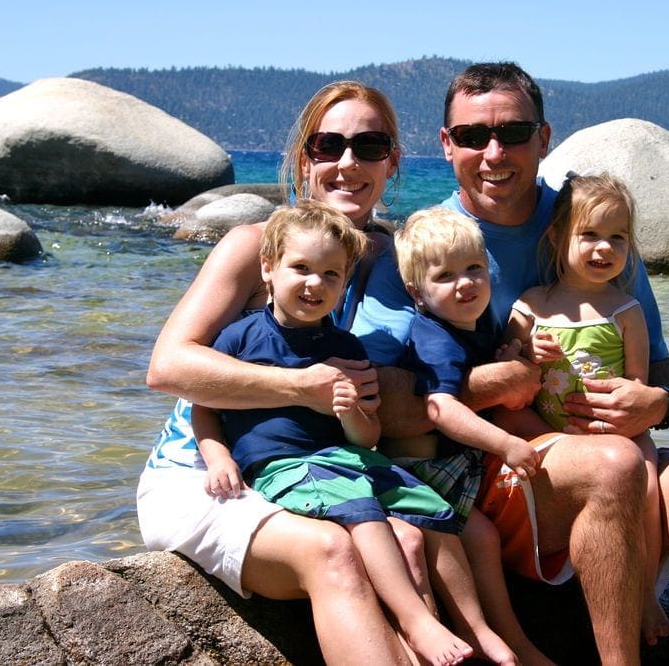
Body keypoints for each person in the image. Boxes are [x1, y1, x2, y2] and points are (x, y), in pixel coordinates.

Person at [369, 62, 669, 665]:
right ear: (447, 146)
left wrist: (661, 402)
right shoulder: (426, 245)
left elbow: (660, 363)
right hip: (488, 465)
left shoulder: (595, 225)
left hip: (599, 452)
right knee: (612, 464)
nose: (494, 152)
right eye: (472, 136)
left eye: (514, 133)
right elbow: (384, 400)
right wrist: (499, 381)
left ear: (544, 139)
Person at [139, 81, 432, 664]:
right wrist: (303, 386)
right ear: (306, 159)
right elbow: (167, 366)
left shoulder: (398, 262)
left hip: (324, 469)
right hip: (209, 470)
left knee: (412, 540)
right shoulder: (255, 247)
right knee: (330, 551)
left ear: (392, 162)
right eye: (329, 145)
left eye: (369, 146)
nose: (348, 163)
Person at [194, 200, 518, 666]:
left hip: (343, 457)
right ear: (268, 268)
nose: (315, 283)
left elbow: (366, 438)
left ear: (345, 282)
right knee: (361, 510)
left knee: (433, 507)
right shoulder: (240, 338)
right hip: (283, 465)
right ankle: (416, 621)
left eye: (331, 275)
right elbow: (205, 407)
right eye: (301, 268)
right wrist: (219, 458)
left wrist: (350, 415)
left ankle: (476, 627)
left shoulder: (346, 347)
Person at [504, 173, 669, 645]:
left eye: (618, 238)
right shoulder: (533, 306)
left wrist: (636, 410)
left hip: (615, 434)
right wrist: (524, 354)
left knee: (645, 477)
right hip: (553, 437)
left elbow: (639, 388)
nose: (605, 248)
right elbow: (507, 367)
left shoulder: (626, 310)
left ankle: (643, 592)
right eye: (590, 235)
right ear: (558, 238)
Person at [390, 206, 553, 665]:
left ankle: (504, 636)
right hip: (419, 471)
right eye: (445, 276)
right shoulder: (434, 340)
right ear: (416, 293)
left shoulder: (475, 321)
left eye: (474, 269)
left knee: (481, 536)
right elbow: (440, 409)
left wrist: (517, 350)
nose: (465, 283)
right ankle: (482, 632)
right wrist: (504, 444)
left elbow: (491, 360)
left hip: (450, 469)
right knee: (476, 536)